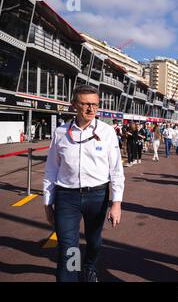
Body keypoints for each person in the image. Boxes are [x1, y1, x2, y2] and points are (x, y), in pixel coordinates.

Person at [42, 85, 124, 282]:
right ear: (74, 105)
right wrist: (47, 202)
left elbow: (116, 169)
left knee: (94, 241)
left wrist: (116, 203)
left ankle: (89, 267)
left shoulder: (107, 132)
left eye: (95, 104)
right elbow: (52, 168)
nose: (91, 109)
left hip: (97, 195)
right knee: (68, 246)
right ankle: (72, 276)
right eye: (85, 104)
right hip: (67, 196)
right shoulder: (61, 132)